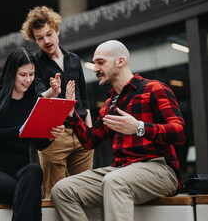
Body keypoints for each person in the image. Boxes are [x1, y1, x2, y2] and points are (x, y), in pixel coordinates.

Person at [51, 40, 186, 221]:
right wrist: (71, 115)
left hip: (160, 169)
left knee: (115, 181)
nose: (95, 68)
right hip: (121, 170)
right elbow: (90, 141)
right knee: (62, 190)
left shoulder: (154, 89)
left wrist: (139, 128)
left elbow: (179, 132)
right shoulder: (110, 104)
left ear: (120, 61)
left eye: (100, 62)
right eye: (94, 63)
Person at [0, 47, 65, 221]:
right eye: (23, 75)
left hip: (20, 173)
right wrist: (22, 129)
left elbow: (39, 143)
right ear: (11, 72)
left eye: (31, 74)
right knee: (30, 195)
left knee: (34, 170)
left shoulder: (33, 100)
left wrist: (51, 134)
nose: (28, 80)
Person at [21, 6, 94, 199]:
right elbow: (37, 98)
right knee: (54, 196)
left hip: (80, 133)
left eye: (49, 34)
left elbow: (84, 98)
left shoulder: (74, 60)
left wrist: (90, 132)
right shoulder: (34, 64)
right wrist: (52, 91)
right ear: (34, 40)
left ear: (57, 30)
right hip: (53, 135)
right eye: (39, 38)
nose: (45, 41)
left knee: (86, 194)